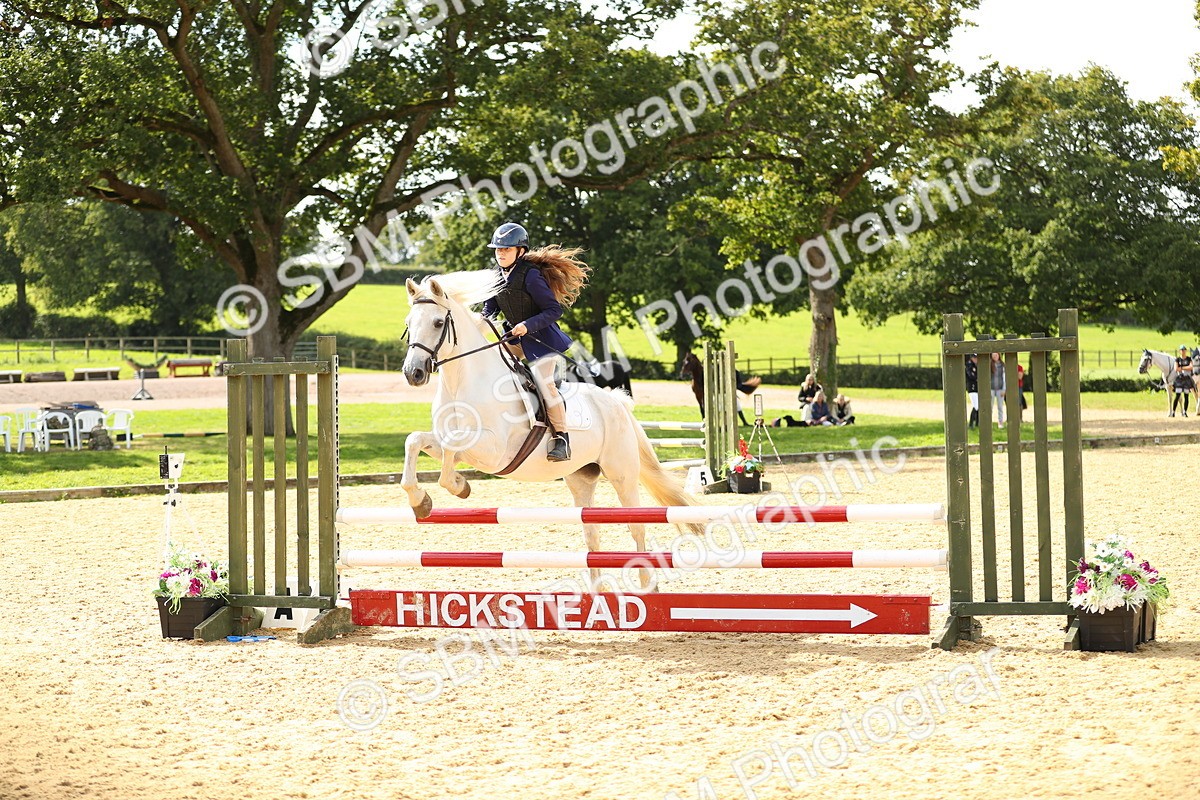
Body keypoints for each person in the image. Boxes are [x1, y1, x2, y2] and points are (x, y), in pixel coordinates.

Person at [481, 222, 590, 462]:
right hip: (515, 338)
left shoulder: (530, 276)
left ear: (520, 251)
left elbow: (553, 310)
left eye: (506, 249)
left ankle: (561, 438)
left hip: (543, 341)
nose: (500, 253)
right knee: (488, 366)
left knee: (545, 385)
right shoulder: (494, 276)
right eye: (498, 249)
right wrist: (480, 321)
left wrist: (527, 325)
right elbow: (489, 309)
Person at [1172, 344, 1194, 418]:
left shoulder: (1189, 359)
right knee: (1177, 395)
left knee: (1186, 395)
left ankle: (1185, 411)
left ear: (1186, 351)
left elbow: (1191, 367)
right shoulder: (1177, 359)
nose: (1183, 351)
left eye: (1184, 350)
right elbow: (1176, 369)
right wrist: (1185, 368)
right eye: (1181, 350)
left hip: (1187, 378)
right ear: (1179, 351)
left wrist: (1181, 367)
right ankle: (1173, 411)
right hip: (1180, 378)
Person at [989, 352, 1006, 426]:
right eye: (993, 355)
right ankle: (989, 422)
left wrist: (1004, 389)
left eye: (996, 355)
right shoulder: (990, 365)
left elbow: (1005, 378)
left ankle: (1000, 422)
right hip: (991, 388)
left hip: (1000, 388)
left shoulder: (1003, 365)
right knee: (990, 406)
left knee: (1000, 406)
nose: (995, 356)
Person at [965, 354, 979, 428]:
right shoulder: (969, 365)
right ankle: (971, 423)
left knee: (977, 406)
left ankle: (976, 423)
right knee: (976, 405)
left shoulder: (975, 365)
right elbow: (971, 375)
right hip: (972, 387)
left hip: (976, 387)